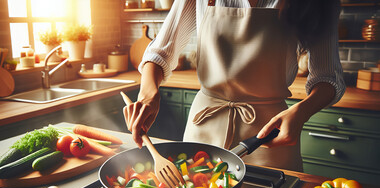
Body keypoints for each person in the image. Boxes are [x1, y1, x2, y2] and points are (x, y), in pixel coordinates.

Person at [122, 0, 345, 172]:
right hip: (203, 129)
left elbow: (328, 77)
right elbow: (160, 52)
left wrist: (301, 111)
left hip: (269, 137)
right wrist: (148, 93)